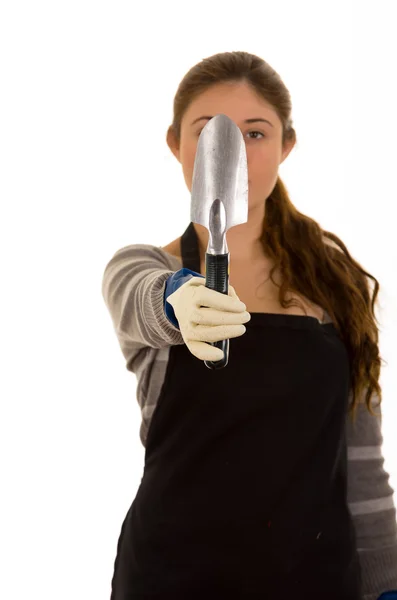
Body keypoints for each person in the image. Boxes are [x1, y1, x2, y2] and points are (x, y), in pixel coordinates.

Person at [102, 51, 397, 599]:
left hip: (316, 580)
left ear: (287, 145)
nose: (236, 153)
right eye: (212, 132)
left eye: (255, 134)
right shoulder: (146, 267)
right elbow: (136, 297)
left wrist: (386, 581)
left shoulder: (336, 287)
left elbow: (361, 458)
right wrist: (177, 302)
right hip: (171, 578)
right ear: (176, 145)